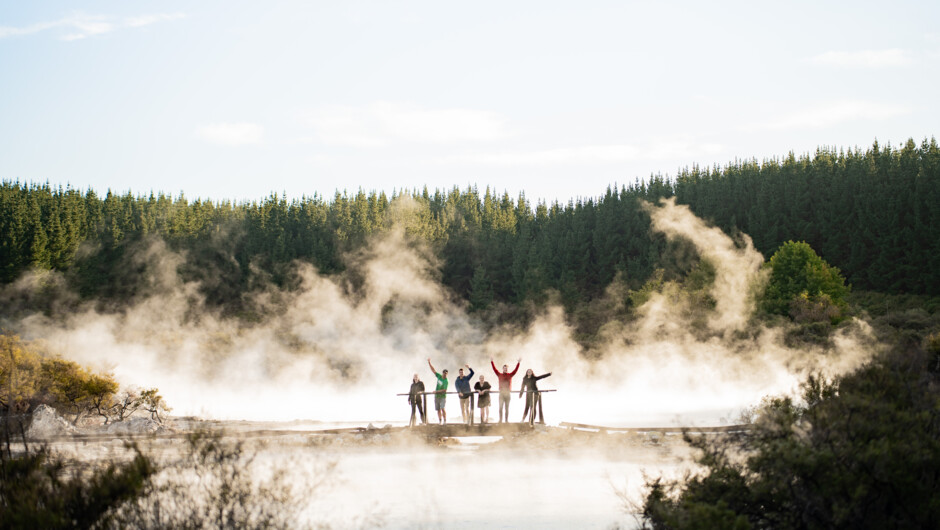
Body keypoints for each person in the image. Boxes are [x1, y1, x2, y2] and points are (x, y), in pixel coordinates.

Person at [491, 358, 520, 423]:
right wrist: (492, 361)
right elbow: (494, 369)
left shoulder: (510, 375)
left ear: (507, 369)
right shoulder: (499, 375)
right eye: (504, 368)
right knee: (500, 407)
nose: (505, 369)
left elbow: (515, 371)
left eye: (506, 368)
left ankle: (506, 420)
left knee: (507, 408)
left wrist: (518, 363)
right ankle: (500, 420)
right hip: (501, 393)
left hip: (507, 393)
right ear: (503, 369)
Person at [428, 358, 449, 425]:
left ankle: (445, 420)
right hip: (437, 396)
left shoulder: (446, 381)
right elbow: (433, 370)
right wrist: (429, 363)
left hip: (442, 396)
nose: (445, 374)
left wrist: (436, 392)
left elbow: (444, 390)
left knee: (442, 408)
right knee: (438, 409)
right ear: (442, 373)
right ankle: (440, 420)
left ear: (447, 374)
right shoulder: (439, 376)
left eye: (446, 373)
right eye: (444, 373)